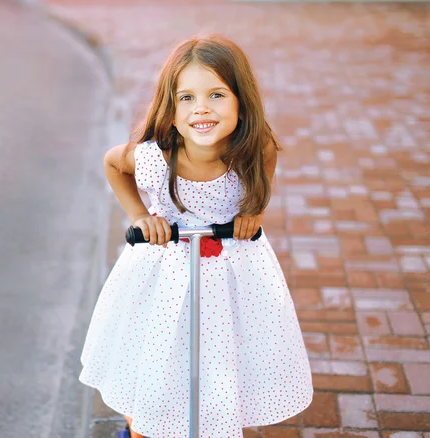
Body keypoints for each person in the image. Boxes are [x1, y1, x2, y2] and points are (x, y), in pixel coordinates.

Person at [79, 34, 313, 438]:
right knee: (155, 359)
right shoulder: (154, 158)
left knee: (224, 357)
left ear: (242, 101)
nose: (201, 108)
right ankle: (142, 426)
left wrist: (253, 212)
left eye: (217, 95)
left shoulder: (255, 150)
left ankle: (217, 418)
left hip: (232, 274)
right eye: (186, 98)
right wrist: (139, 215)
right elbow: (113, 164)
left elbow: (267, 167)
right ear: (170, 110)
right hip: (162, 273)